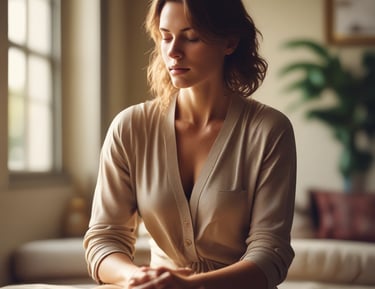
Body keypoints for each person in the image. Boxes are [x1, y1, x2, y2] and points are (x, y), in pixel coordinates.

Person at [83, 0, 297, 289]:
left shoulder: (269, 131)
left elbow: (271, 253)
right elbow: (103, 239)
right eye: (166, 37)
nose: (172, 52)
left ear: (230, 42)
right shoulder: (129, 128)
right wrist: (136, 277)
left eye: (191, 37)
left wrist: (192, 287)